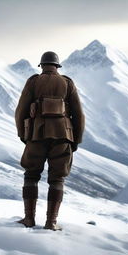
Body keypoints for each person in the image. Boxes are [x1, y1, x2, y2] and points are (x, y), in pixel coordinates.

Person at [15, 51, 85, 231]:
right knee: (57, 178)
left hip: (36, 136)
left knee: (31, 175)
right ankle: (51, 222)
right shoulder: (67, 83)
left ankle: (29, 219)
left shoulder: (33, 82)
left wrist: (24, 135)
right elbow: (78, 115)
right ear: (57, 66)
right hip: (63, 137)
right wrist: (75, 140)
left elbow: (20, 111)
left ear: (42, 65)